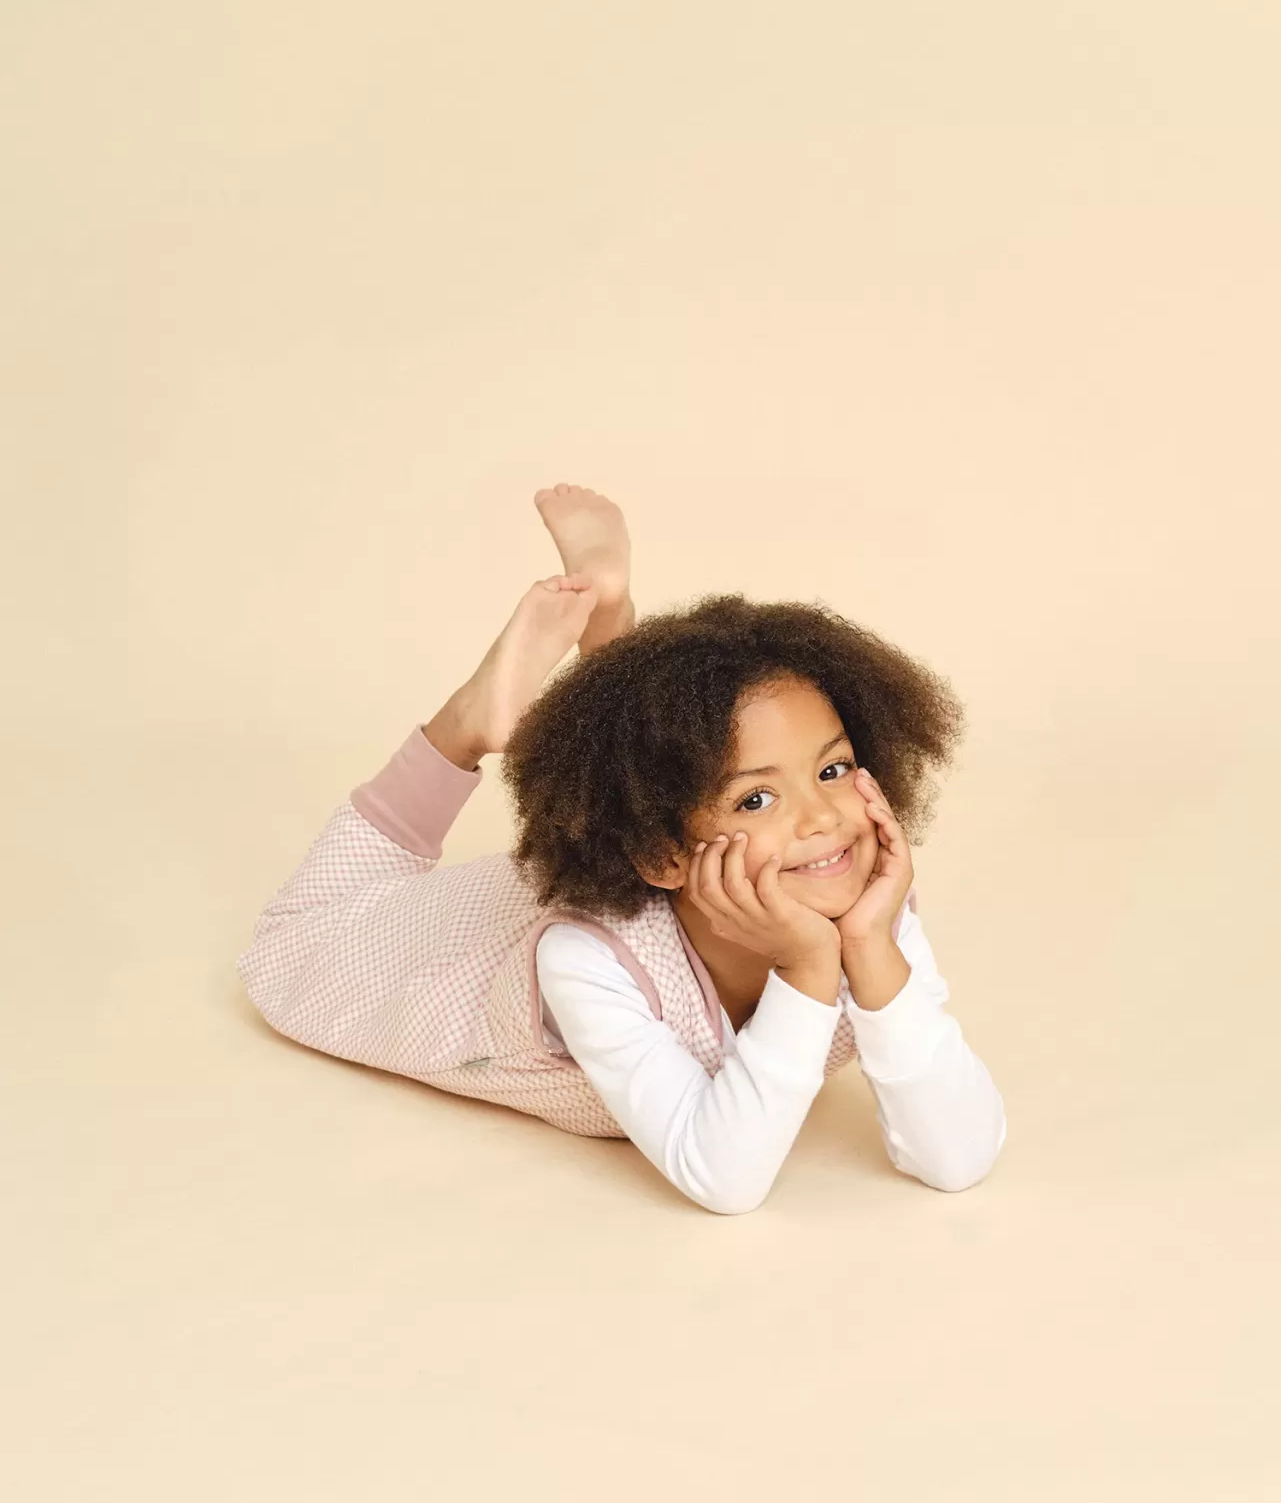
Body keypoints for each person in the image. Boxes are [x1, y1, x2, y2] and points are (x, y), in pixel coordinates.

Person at [237, 484, 1006, 1214]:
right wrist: (808, 969)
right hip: (437, 956)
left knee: (656, 753)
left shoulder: (863, 902)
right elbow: (723, 1177)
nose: (823, 819)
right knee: (292, 941)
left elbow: (959, 1156)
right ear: (665, 859)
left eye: (833, 769)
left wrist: (870, 949)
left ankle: (609, 623)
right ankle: (467, 724)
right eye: (757, 799)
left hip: (611, 855)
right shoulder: (590, 961)